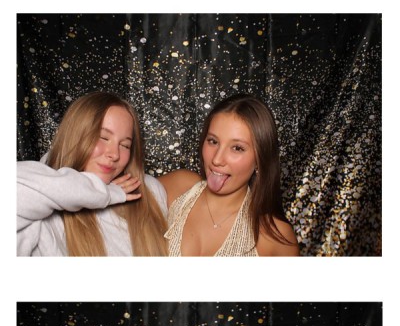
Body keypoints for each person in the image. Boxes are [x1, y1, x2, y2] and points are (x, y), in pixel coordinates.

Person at [17, 90, 168, 256]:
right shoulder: (38, 211)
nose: (115, 154)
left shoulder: (148, 190)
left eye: (125, 145)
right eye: (103, 137)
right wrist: (105, 193)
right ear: (75, 135)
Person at [162, 94, 299, 256]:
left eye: (237, 148)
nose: (217, 159)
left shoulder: (276, 237)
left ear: (259, 160)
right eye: (213, 141)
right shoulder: (176, 187)